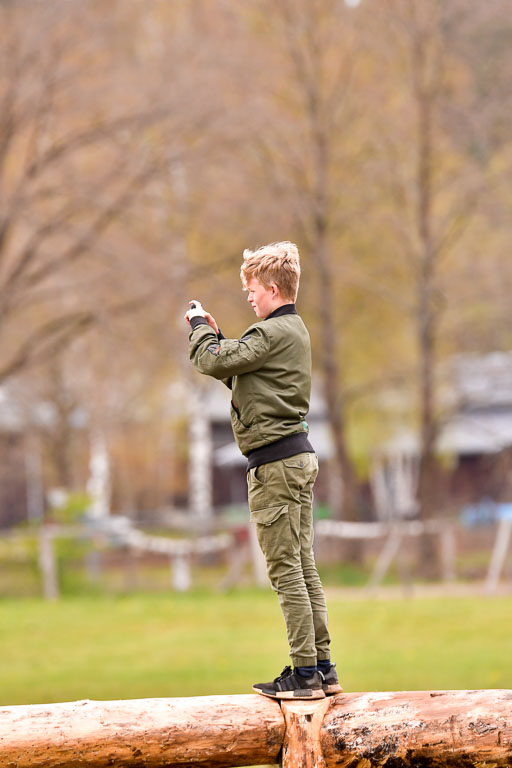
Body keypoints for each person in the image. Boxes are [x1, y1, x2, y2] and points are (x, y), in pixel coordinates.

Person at [184, 241, 341, 700]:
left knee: (285, 569)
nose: (249, 297)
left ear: (272, 288)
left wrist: (198, 328)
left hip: (276, 465)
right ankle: (323, 668)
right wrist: (217, 335)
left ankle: (305, 675)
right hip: (296, 457)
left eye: (251, 289)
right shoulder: (291, 332)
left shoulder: (271, 333)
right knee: (303, 566)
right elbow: (241, 368)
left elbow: (211, 360)